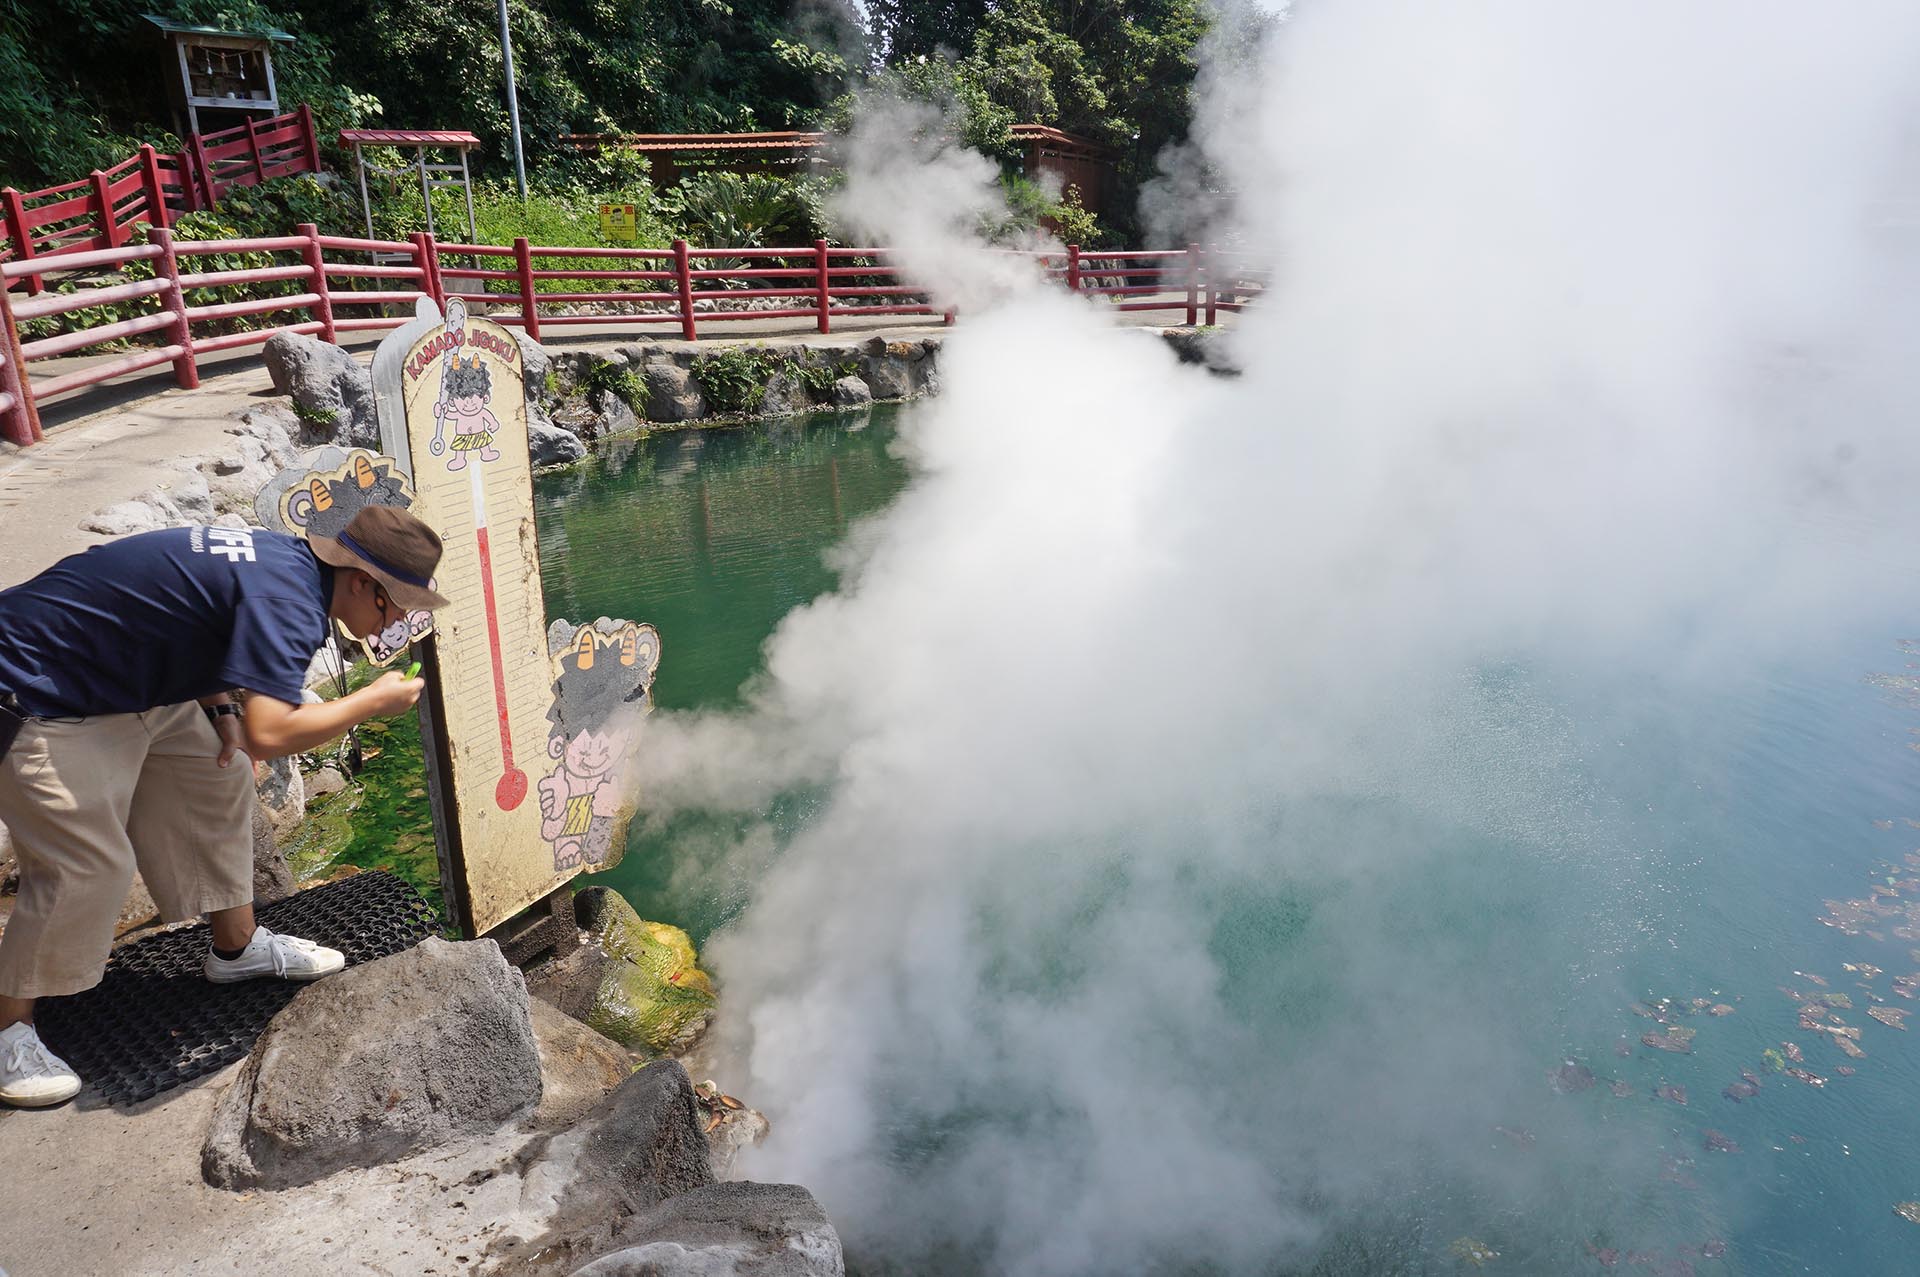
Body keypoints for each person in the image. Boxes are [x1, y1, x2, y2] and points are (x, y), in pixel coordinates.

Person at [0, 505, 450, 1108]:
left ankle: (235, 948)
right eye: (397, 604)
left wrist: (220, 709)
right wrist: (370, 703)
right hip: (34, 684)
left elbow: (189, 622)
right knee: (89, 868)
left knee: (215, 773)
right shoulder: (290, 603)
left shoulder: (286, 567)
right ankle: (10, 1028)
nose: (398, 621)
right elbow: (271, 731)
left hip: (119, 676)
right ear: (363, 582)